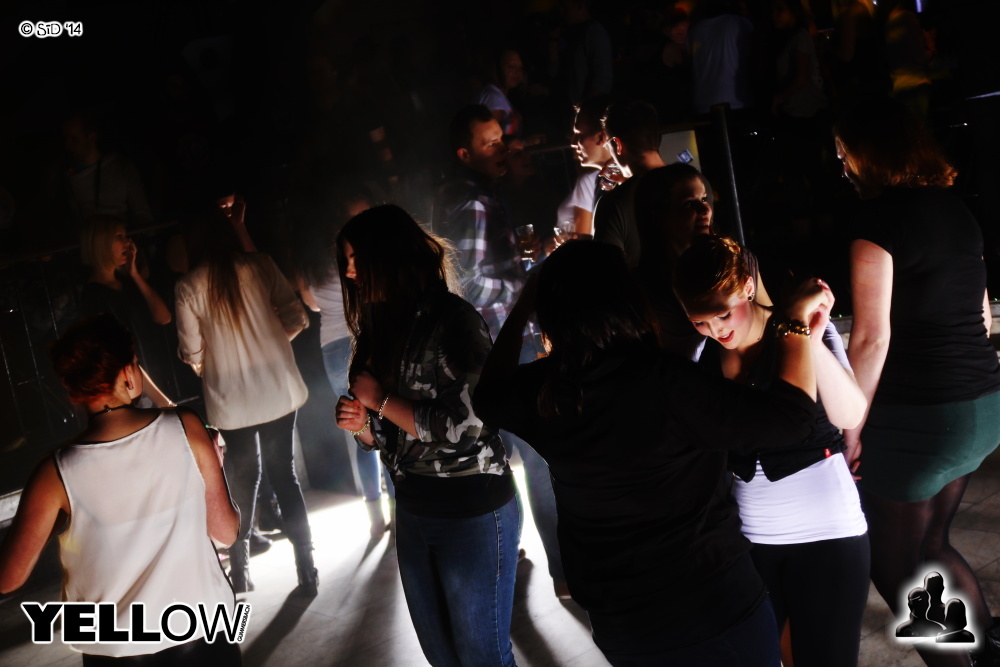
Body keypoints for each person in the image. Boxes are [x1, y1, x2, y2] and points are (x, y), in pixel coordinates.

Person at [475, 240, 831, 666]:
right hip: (711, 607)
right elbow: (792, 419)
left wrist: (522, 307)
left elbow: (487, 395)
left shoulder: (545, 390)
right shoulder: (667, 383)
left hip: (622, 624)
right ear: (629, 299)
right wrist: (793, 321)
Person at [836, 97, 1000, 665]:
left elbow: (871, 339)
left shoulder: (877, 224)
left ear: (870, 154)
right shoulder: (957, 212)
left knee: (897, 567)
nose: (841, 164)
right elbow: (982, 316)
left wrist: (850, 428)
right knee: (932, 544)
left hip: (926, 420)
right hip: (983, 406)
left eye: (844, 152)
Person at [334, 205, 521, 666]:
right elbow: (383, 438)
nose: (349, 271)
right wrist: (362, 426)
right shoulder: (377, 327)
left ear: (390, 255)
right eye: (346, 261)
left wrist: (380, 401)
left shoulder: (453, 320)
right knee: (441, 655)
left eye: (357, 258)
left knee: (482, 656)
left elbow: (469, 427)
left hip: (472, 508)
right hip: (414, 508)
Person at [674, 235, 870, 667]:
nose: (716, 330)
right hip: (750, 540)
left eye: (723, 314)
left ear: (747, 286)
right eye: (700, 321)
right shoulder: (702, 355)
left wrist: (807, 337)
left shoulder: (803, 326)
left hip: (827, 530)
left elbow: (849, 414)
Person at [0, 315, 241, 665]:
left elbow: (8, 578)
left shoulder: (54, 472)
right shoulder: (185, 427)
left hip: (113, 653)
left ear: (74, 391)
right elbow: (226, 532)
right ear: (129, 373)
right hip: (202, 637)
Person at [175, 211, 316, 596]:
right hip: (277, 387)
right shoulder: (260, 265)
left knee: (243, 476)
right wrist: (268, 347)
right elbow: (296, 317)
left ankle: (240, 572)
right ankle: (307, 569)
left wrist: (215, 364)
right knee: (284, 473)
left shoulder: (188, 286)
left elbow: (192, 351)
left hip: (230, 397)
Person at [295, 185, 394, 540]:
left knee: (358, 429)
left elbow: (312, 304)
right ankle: (398, 512)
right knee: (385, 426)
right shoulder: (358, 254)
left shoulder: (310, 258)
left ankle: (374, 517)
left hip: (331, 346)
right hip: (361, 338)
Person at [79, 214, 174, 408]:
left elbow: (164, 317)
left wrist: (135, 275)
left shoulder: (126, 283)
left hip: (153, 376)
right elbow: (119, 353)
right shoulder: (94, 295)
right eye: (119, 237)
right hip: (134, 388)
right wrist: (160, 400)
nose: (127, 242)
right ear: (101, 243)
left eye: (126, 236)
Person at [593, 100, 667, 267]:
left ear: (617, 145)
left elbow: (606, 267)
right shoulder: (696, 183)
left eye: (608, 145)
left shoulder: (614, 203)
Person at [557, 94, 613, 239]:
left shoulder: (628, 182)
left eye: (579, 135)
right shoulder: (602, 181)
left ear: (601, 137)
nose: (573, 143)